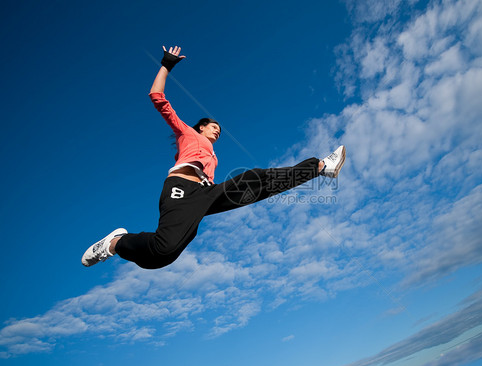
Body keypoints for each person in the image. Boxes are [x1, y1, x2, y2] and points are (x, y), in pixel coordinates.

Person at [82, 45, 346, 270]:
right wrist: (166, 65)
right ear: (200, 127)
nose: (217, 129)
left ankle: (321, 166)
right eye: (212, 126)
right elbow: (157, 97)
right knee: (164, 253)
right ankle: (116, 243)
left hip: (206, 196)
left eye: (218, 128)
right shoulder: (186, 132)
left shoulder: (213, 156)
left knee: (255, 179)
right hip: (180, 189)